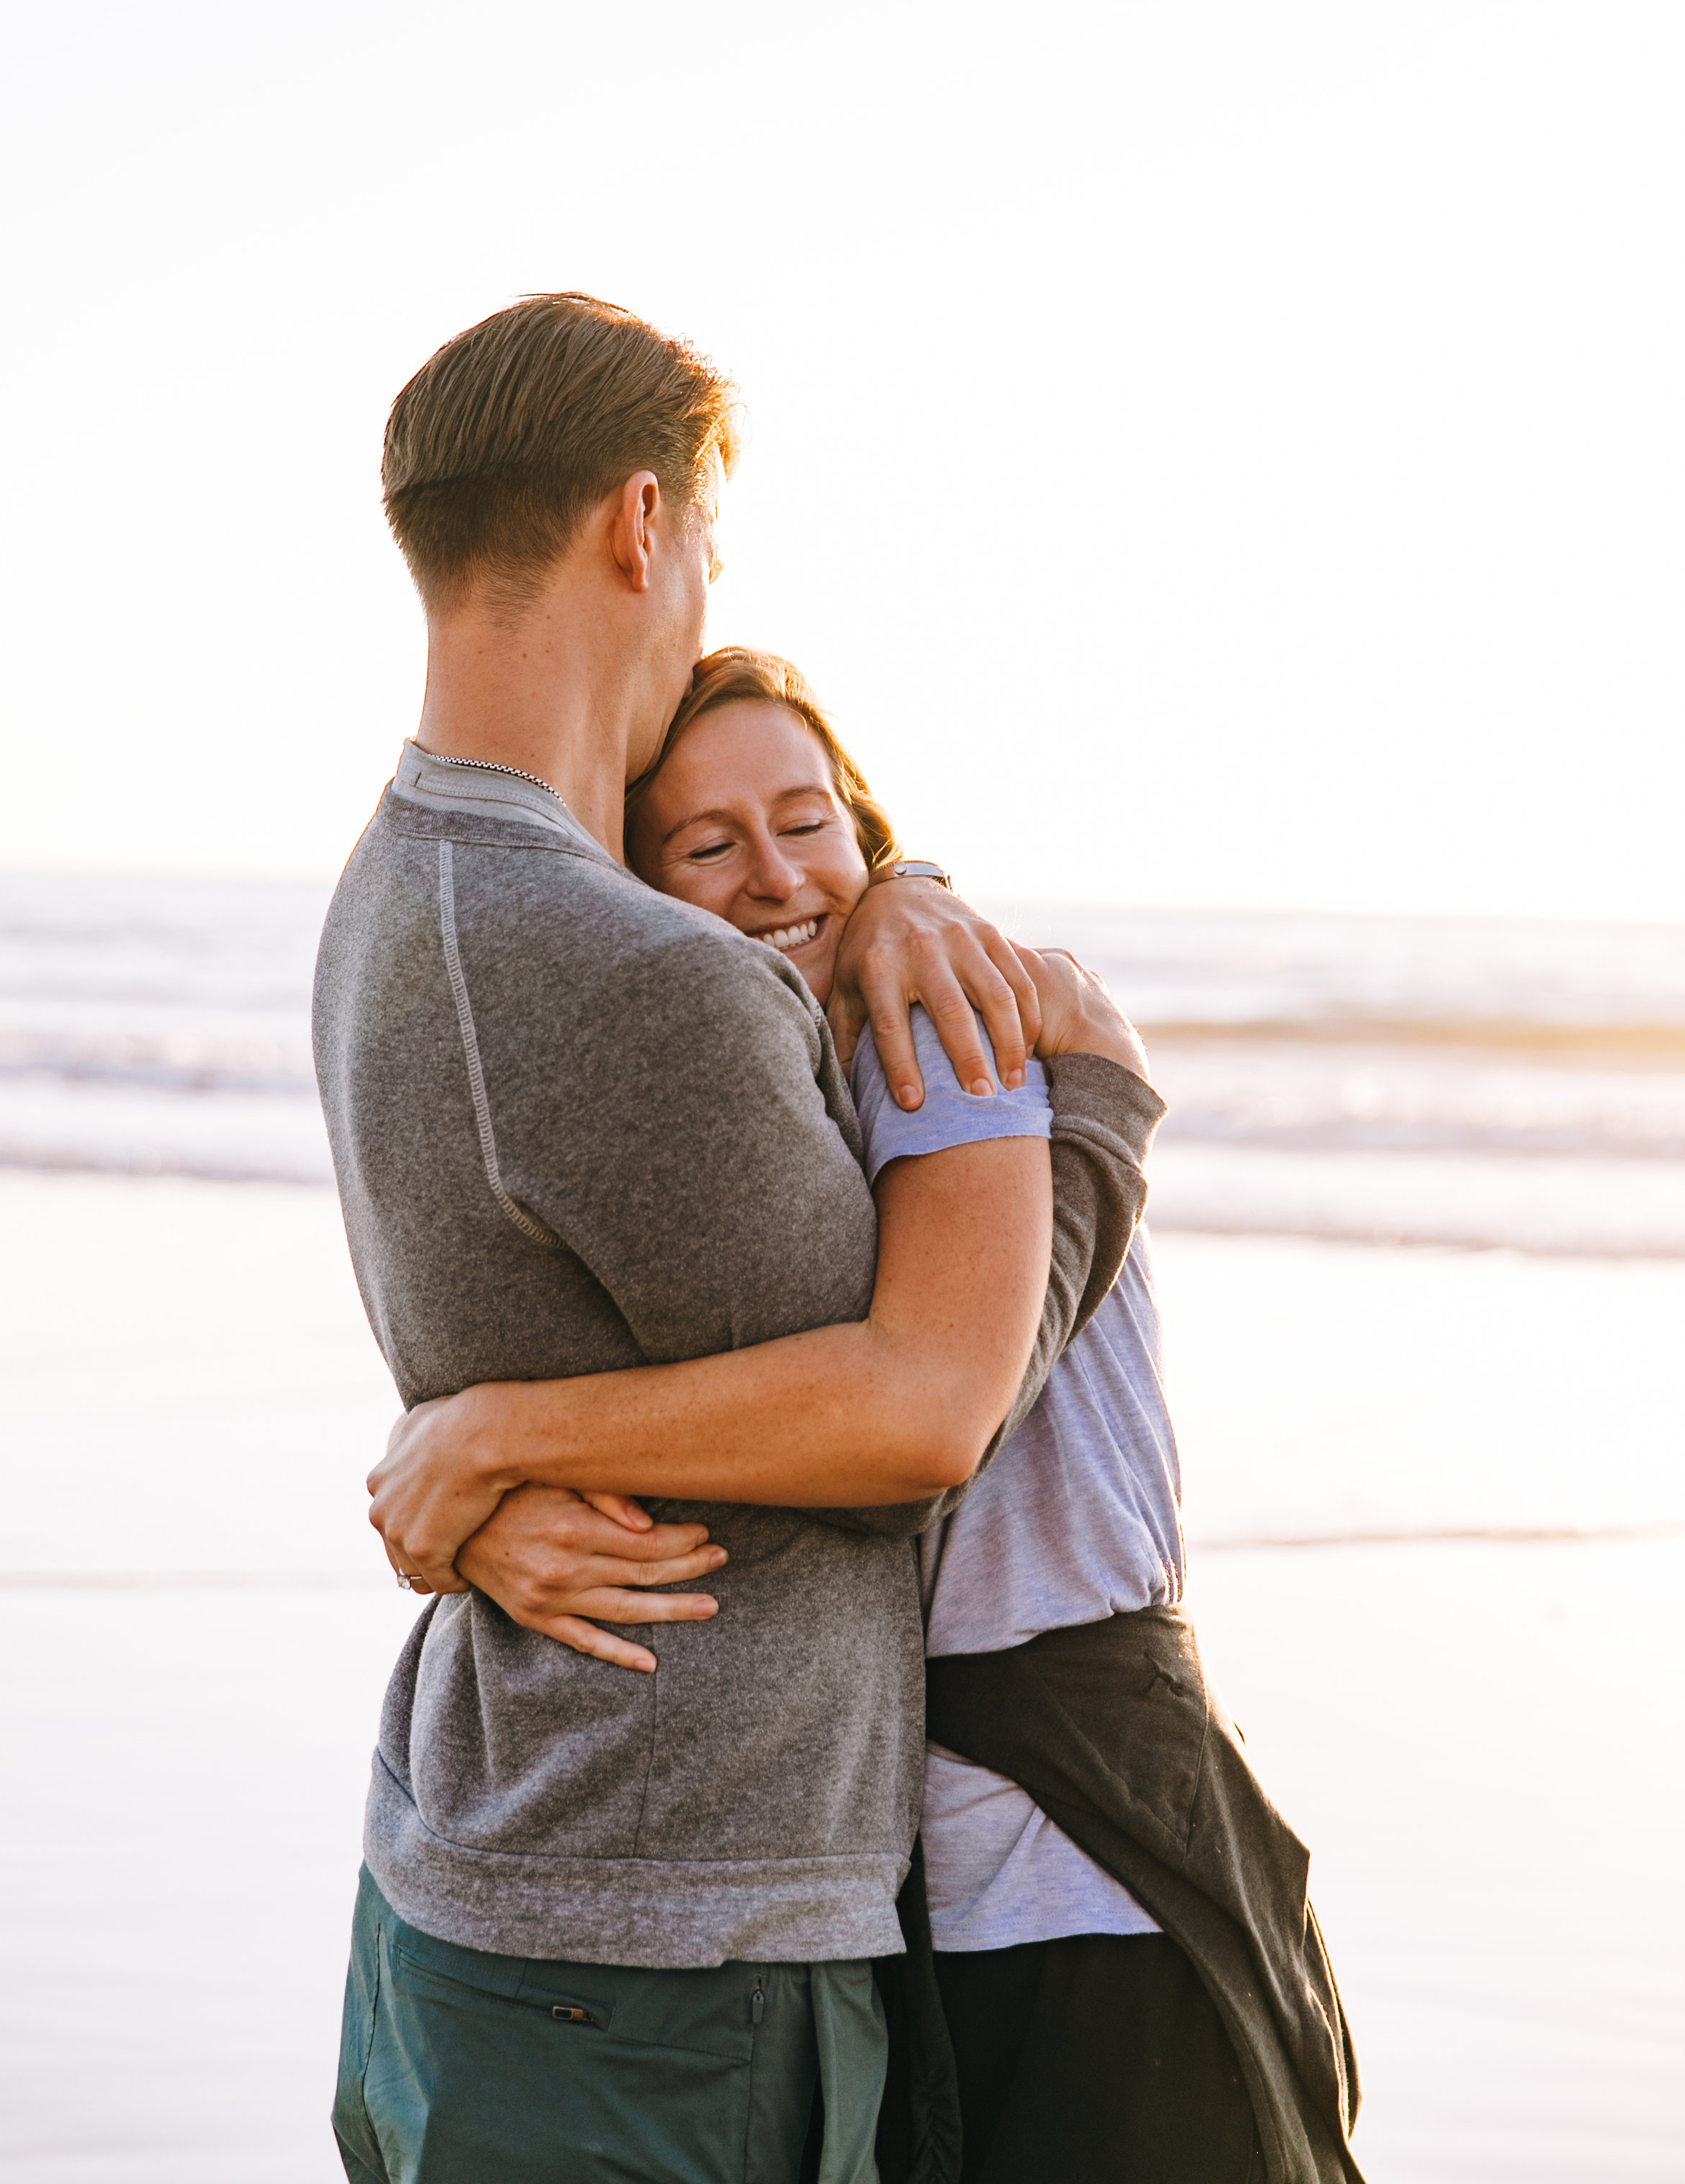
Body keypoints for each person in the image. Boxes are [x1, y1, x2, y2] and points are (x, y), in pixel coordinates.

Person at [316, 293, 1165, 2184]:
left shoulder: (389, 886)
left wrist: (486, 1435)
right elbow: (915, 1409)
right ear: (641, 525)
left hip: (506, 1889)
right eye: (704, 545)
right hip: (661, 1957)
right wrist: (1090, 1107)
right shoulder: (626, 971)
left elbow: (542, 1308)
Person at [377, 651, 1365, 2184]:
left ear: (867, 829)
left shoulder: (941, 1036)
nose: (776, 876)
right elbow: (733, 1416)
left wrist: (499, 1437)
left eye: (810, 822)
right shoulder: (754, 1097)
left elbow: (922, 1419)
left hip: (1074, 1866)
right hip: (904, 1879)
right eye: (706, 846)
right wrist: (485, 1503)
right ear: (635, 894)